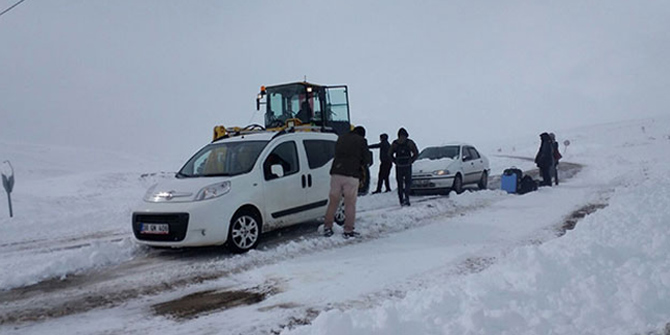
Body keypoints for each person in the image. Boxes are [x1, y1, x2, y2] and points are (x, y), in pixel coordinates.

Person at [323, 126, 371, 238]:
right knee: (350, 203)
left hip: (336, 173)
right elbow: (366, 159)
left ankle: (327, 227)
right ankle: (348, 230)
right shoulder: (361, 141)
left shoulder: (341, 138)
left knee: (333, 201)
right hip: (351, 175)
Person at [389, 127, 419, 206]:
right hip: (407, 165)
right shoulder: (409, 142)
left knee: (399, 183)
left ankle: (401, 199)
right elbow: (416, 153)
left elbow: (389, 154)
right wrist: (411, 160)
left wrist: (395, 161)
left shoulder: (395, 143)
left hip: (399, 166)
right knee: (408, 182)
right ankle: (407, 198)